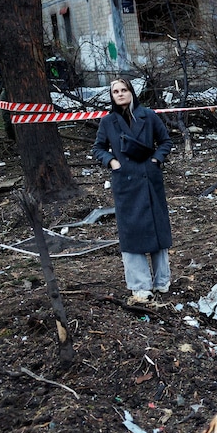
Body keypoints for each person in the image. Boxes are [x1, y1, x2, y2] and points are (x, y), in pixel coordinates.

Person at [92, 78, 174, 304]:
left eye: (123, 90)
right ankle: (140, 286)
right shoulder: (108, 121)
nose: (119, 94)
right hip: (125, 183)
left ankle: (161, 281)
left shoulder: (149, 116)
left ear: (131, 92)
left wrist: (156, 160)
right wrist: (112, 162)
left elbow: (166, 141)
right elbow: (98, 148)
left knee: (157, 229)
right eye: (115, 91)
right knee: (132, 233)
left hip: (149, 180)